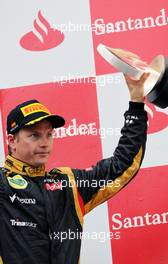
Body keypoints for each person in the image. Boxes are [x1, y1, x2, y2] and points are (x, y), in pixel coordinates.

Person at [0, 73, 149, 264]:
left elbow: (122, 165)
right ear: (12, 141)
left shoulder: (67, 183)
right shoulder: (3, 185)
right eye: (34, 136)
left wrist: (136, 103)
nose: (45, 143)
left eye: (49, 135)